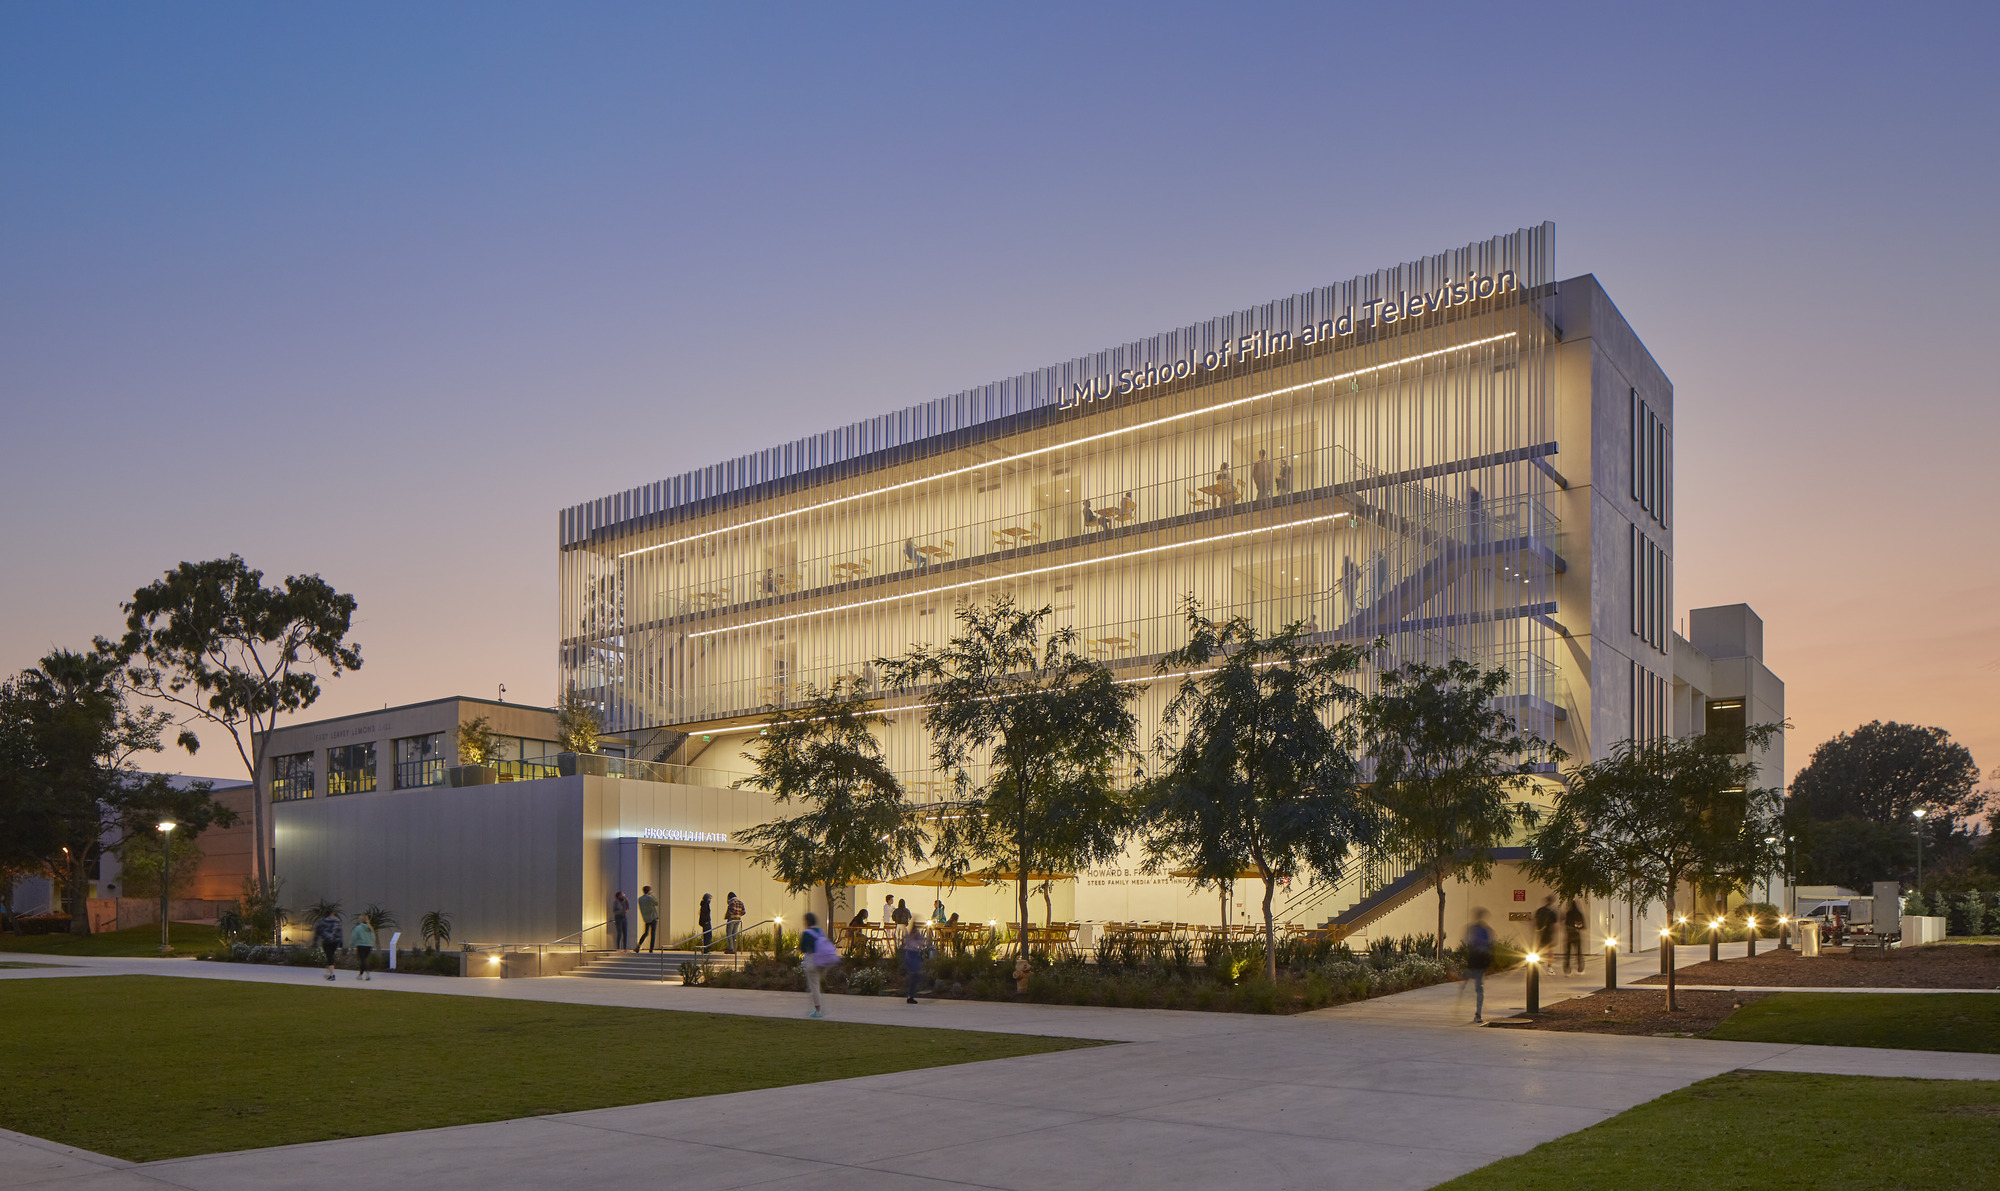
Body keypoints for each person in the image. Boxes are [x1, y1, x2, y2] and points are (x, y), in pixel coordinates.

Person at [799, 912, 836, 1018]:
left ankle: (818, 1010)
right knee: (818, 985)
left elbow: (803, 948)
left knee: (814, 986)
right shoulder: (820, 931)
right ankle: (820, 1004)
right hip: (823, 961)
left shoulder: (806, 933)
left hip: (812, 961)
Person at [1463, 909, 1495, 1023]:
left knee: (1474, 984)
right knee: (1479, 987)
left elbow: (1468, 943)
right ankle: (1478, 1013)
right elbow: (1490, 946)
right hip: (1482, 961)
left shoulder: (1472, 929)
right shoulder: (1486, 930)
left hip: (1474, 960)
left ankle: (1477, 1012)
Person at [900, 922, 928, 1004]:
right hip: (911, 955)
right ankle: (910, 994)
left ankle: (911, 994)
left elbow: (921, 943)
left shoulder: (914, 935)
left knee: (916, 975)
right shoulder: (911, 936)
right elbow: (912, 944)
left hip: (914, 954)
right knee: (915, 974)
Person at [315, 910, 344, 981]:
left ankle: (332, 974)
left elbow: (318, 931)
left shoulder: (322, 921)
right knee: (331, 955)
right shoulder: (337, 921)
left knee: (329, 956)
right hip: (335, 941)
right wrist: (341, 942)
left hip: (326, 941)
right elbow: (340, 932)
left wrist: (315, 941)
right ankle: (330, 970)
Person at [1562, 898, 1587, 975]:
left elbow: (1565, 924)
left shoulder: (1568, 913)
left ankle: (1567, 969)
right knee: (1579, 952)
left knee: (1568, 953)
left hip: (1569, 935)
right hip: (1577, 935)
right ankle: (1580, 969)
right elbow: (1583, 926)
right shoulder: (1579, 914)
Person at [350, 916, 376, 981]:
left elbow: (354, 937)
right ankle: (364, 974)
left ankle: (363, 974)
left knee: (362, 960)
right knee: (364, 960)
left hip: (361, 945)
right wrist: (371, 943)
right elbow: (373, 937)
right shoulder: (370, 928)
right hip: (369, 945)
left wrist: (352, 945)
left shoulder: (358, 928)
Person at [1533, 895, 1558, 960]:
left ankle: (1535, 961)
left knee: (1537, 947)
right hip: (1548, 933)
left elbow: (1535, 920)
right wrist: (1553, 933)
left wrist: (1537, 929)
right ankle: (1549, 966)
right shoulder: (1552, 912)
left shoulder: (1539, 910)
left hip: (1540, 932)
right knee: (1550, 949)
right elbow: (1553, 925)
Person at [637, 886, 660, 952]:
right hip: (653, 917)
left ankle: (639, 944)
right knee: (653, 934)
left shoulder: (640, 899)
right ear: (649, 891)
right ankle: (651, 949)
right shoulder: (650, 898)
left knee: (646, 933)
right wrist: (652, 895)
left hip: (646, 918)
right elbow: (656, 903)